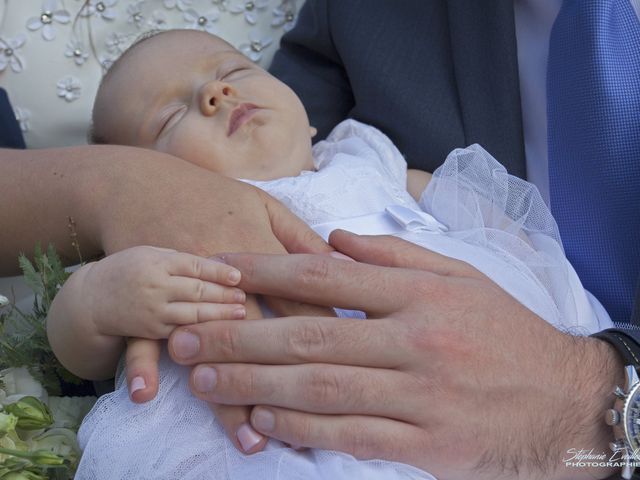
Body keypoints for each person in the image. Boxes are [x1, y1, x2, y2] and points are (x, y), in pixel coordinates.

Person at [47, 29, 613, 479]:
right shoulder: (165, 236)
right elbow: (81, 345)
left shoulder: (364, 157)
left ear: (309, 115)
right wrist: (100, 298)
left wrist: (526, 267)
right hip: (281, 444)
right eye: (170, 118)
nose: (215, 94)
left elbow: (483, 216)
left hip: (487, 370)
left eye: (234, 71)